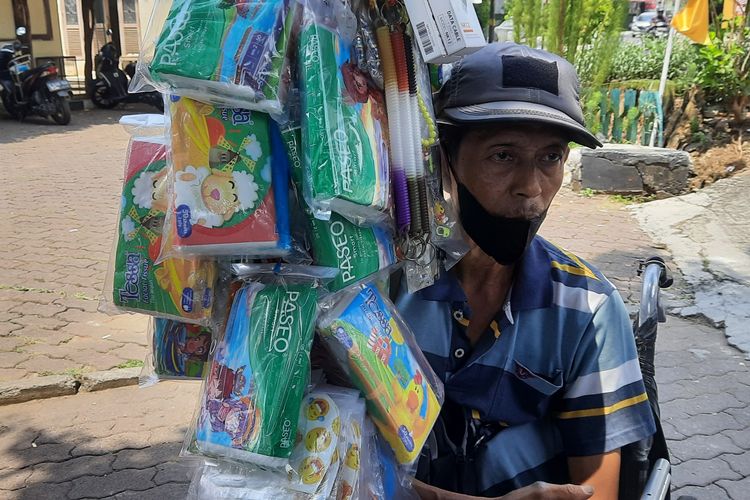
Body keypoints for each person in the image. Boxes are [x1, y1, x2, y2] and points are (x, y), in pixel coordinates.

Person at [394, 42, 656, 499]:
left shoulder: (587, 308)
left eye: (550, 157)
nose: (531, 189)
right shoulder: (381, 287)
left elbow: (597, 489)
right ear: (445, 159)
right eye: (503, 155)